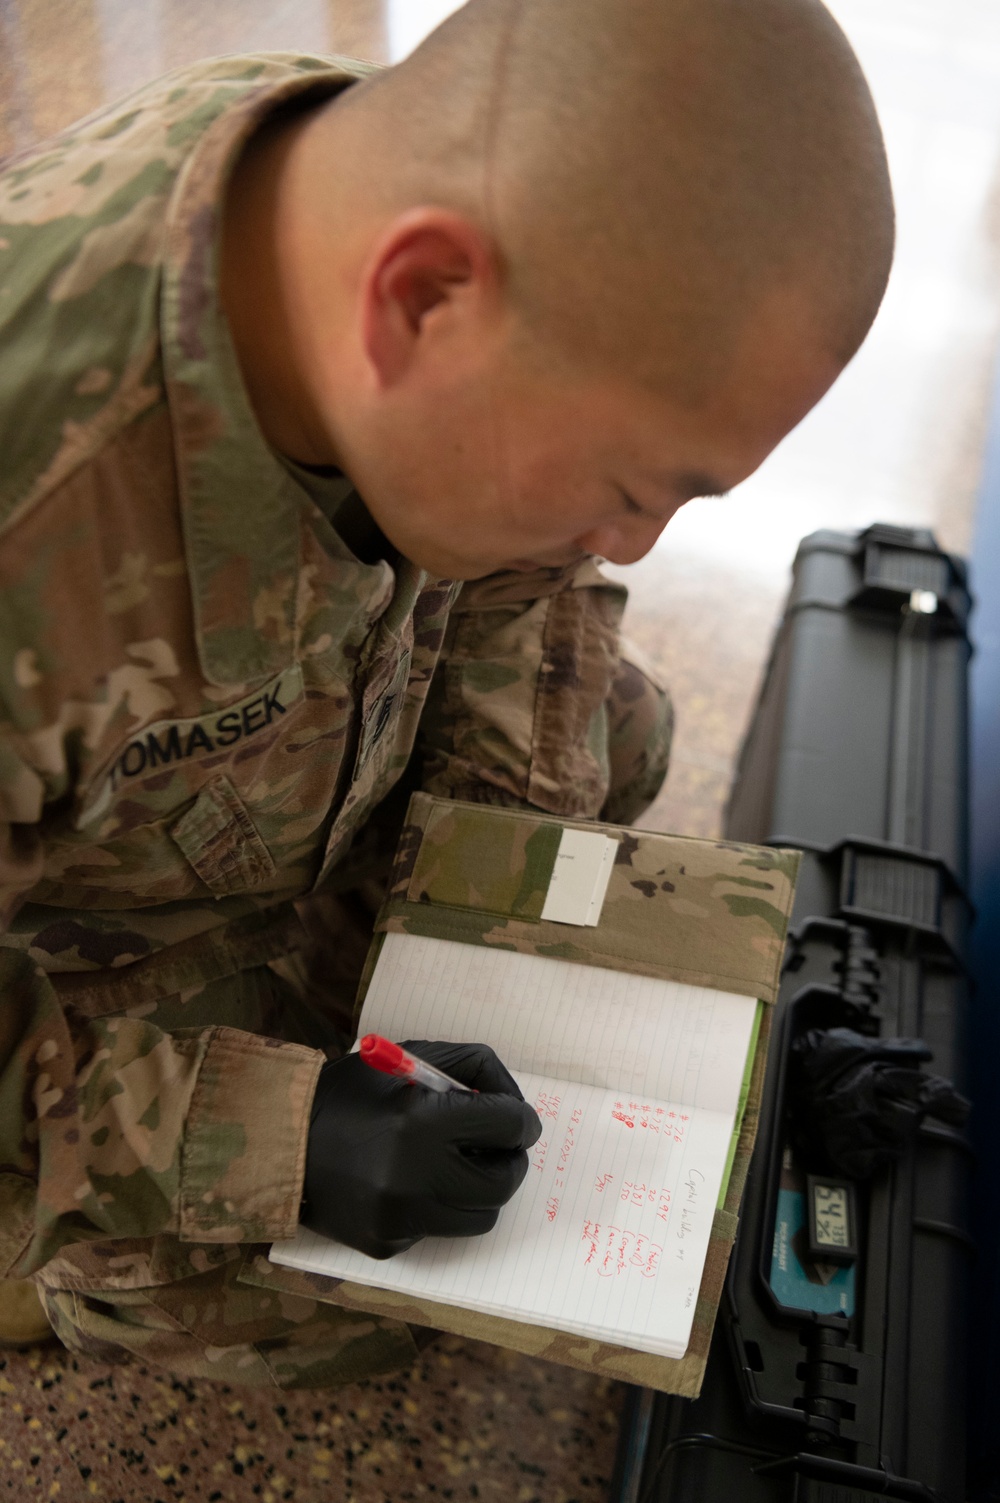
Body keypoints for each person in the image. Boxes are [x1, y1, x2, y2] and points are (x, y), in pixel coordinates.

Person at [0, 0, 894, 1386]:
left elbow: (526, 599)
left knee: (614, 732)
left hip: (277, 777)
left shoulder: (366, 196)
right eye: (629, 484)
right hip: (86, 943)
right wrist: (284, 1136)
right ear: (417, 299)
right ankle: (38, 1280)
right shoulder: (32, 531)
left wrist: (486, 923)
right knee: (337, 1304)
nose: (630, 545)